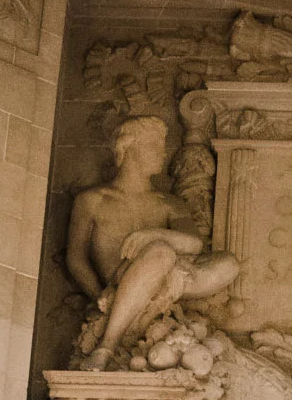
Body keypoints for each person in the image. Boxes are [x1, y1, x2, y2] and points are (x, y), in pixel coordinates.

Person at [64, 114, 240, 370]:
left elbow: (196, 245)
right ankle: (106, 346)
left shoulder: (168, 203)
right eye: (154, 145)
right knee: (161, 254)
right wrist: (98, 294)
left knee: (229, 263)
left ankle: (139, 308)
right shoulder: (93, 201)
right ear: (127, 148)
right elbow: (75, 258)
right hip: (118, 280)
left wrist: (156, 234)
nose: (162, 152)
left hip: (167, 282)